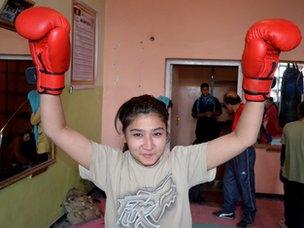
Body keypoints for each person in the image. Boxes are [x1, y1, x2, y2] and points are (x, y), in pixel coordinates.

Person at [15, 7, 301, 228]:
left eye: (157, 133)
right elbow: (55, 129)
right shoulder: (109, 164)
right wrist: (49, 80)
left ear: (167, 132)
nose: (148, 144)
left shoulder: (181, 163)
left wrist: (258, 87)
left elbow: (244, 137)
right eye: (137, 134)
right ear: (123, 133)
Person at [213, 91, 256, 228]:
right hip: (234, 151)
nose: (227, 109)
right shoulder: (238, 112)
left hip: (244, 152)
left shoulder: (244, 111)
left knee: (245, 183)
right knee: (229, 180)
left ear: (229, 104)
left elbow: (247, 134)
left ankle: (249, 216)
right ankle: (228, 210)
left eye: (226, 106)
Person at [280, 101, 304, 228]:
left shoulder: (288, 127)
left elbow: (283, 152)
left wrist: (281, 169)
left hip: (290, 173)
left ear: (299, 111)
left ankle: (289, 224)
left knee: (290, 203)